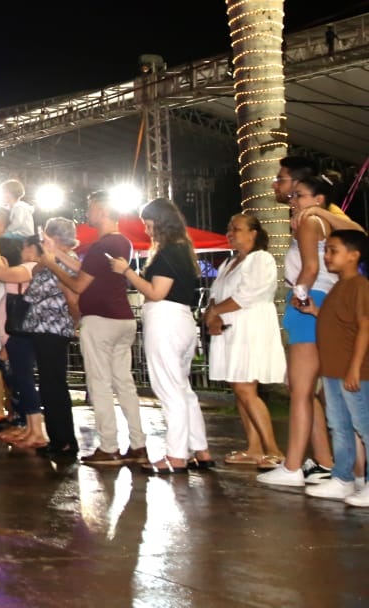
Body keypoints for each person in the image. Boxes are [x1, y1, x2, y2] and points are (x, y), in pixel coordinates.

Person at [38, 190, 147, 466]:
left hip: (100, 320)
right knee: (124, 384)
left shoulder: (101, 247)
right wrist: (58, 255)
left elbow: (78, 284)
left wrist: (52, 264)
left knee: (99, 383)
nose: (87, 213)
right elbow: (85, 268)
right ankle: (138, 444)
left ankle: (108, 446)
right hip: (123, 318)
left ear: (100, 210)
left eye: (90, 208)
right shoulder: (121, 242)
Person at [259, 169, 352, 488]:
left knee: (301, 390)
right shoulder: (318, 219)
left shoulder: (311, 221)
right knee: (311, 390)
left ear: (318, 198)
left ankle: (293, 466)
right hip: (318, 299)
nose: (292, 200)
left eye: (299, 195)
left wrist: (299, 294)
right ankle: (327, 464)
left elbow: (311, 267)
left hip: (309, 299)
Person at [110, 198, 212, 474]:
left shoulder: (169, 253)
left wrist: (127, 272)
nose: (146, 229)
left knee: (170, 391)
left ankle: (176, 456)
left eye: (148, 223)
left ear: (161, 221)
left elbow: (156, 292)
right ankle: (199, 449)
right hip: (180, 321)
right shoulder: (182, 250)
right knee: (182, 389)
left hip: (166, 320)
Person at [203, 214, 286, 467]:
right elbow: (215, 295)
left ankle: (274, 450)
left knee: (246, 388)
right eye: (229, 228)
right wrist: (212, 313)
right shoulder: (229, 262)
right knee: (239, 390)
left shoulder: (261, 259)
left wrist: (216, 312)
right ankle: (254, 448)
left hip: (250, 327)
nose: (231, 232)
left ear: (253, 233)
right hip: (231, 328)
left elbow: (248, 295)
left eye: (237, 228)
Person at [299, 229, 369, 506]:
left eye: (333, 250)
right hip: (333, 370)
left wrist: (353, 368)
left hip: (353, 372)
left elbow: (364, 327)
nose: (327, 256)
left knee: (364, 425)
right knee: (339, 426)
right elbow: (341, 323)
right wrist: (314, 311)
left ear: (354, 255)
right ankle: (343, 478)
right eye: (326, 250)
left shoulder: (360, 286)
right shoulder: (339, 286)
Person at [0, 235, 50, 451]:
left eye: (25, 248)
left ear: (32, 249)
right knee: (22, 381)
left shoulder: (31, 268)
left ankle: (37, 431)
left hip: (20, 334)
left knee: (25, 381)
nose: (22, 252)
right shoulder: (27, 268)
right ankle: (31, 428)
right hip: (15, 334)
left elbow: (1, 274)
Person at [27, 217, 84, 458]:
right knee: (50, 385)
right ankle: (58, 437)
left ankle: (64, 440)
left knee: (54, 385)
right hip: (43, 328)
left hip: (54, 328)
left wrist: (51, 258)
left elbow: (72, 292)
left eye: (46, 238)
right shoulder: (51, 260)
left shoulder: (69, 262)